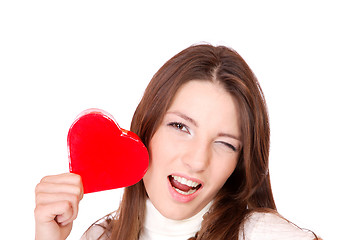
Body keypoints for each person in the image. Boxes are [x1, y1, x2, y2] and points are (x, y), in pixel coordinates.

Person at [34, 44, 320, 240]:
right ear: (145, 130)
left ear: (239, 164)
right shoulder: (101, 236)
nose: (197, 160)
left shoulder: (264, 235)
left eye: (225, 144)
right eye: (180, 126)